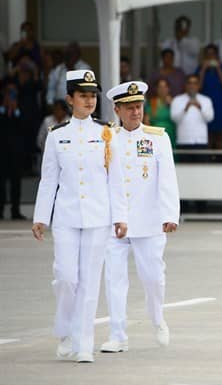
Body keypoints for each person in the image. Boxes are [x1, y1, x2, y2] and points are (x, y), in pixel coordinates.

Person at [31, 70, 128, 363]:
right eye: (83, 96)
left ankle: (83, 342)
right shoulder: (57, 135)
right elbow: (49, 180)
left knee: (89, 281)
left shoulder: (106, 132)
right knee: (65, 276)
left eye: (92, 96)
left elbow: (116, 177)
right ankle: (65, 328)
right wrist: (40, 216)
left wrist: (120, 216)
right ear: (69, 99)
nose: (89, 101)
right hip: (66, 216)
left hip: (98, 216)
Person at [100, 81, 180, 353]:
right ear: (117, 109)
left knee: (153, 277)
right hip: (115, 221)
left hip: (149, 219)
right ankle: (117, 334)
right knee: (114, 278)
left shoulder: (157, 137)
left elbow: (167, 178)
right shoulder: (106, 137)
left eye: (139, 106)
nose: (136, 112)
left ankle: (158, 319)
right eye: (130, 108)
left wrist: (171, 214)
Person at [196, 44, 222, 152]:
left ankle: (220, 163)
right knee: (207, 136)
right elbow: (198, 87)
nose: (210, 57)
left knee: (221, 136)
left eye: (213, 54)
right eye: (208, 55)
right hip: (204, 107)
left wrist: (218, 68)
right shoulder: (200, 68)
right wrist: (203, 69)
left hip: (221, 106)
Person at [170, 74, 214, 162]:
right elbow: (174, 118)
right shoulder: (177, 100)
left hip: (201, 142)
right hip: (183, 141)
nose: (192, 86)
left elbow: (210, 118)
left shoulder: (206, 100)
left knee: (201, 172)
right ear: (185, 85)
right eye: (189, 83)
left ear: (198, 85)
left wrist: (200, 107)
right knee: (184, 172)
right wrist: (185, 109)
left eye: (195, 83)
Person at [0, 81, 27, 220]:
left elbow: (25, 128)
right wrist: (4, 108)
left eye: (13, 93)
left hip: (16, 152)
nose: (10, 96)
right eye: (8, 92)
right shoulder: (1, 109)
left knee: (16, 183)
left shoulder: (21, 108)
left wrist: (16, 110)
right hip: (2, 152)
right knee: (1, 183)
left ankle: (15, 211)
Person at [46, 42, 91, 106]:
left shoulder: (85, 68)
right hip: (60, 108)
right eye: (67, 53)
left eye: (72, 53)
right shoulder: (59, 69)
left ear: (78, 54)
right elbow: (51, 88)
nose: (69, 56)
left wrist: (71, 69)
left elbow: (87, 89)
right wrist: (50, 102)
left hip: (78, 106)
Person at [145, 78, 176, 147]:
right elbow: (147, 121)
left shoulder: (174, 102)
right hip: (155, 136)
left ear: (169, 88)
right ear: (156, 89)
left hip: (171, 135)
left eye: (165, 87)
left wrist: (172, 105)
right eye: (160, 87)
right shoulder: (152, 102)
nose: (162, 89)